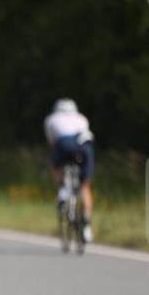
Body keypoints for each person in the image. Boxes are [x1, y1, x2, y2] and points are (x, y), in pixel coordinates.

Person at [44, 98, 95, 242]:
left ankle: (62, 190)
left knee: (55, 165)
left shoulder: (51, 119)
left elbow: (52, 142)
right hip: (84, 147)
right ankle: (86, 227)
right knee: (85, 186)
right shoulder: (82, 118)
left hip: (64, 143)